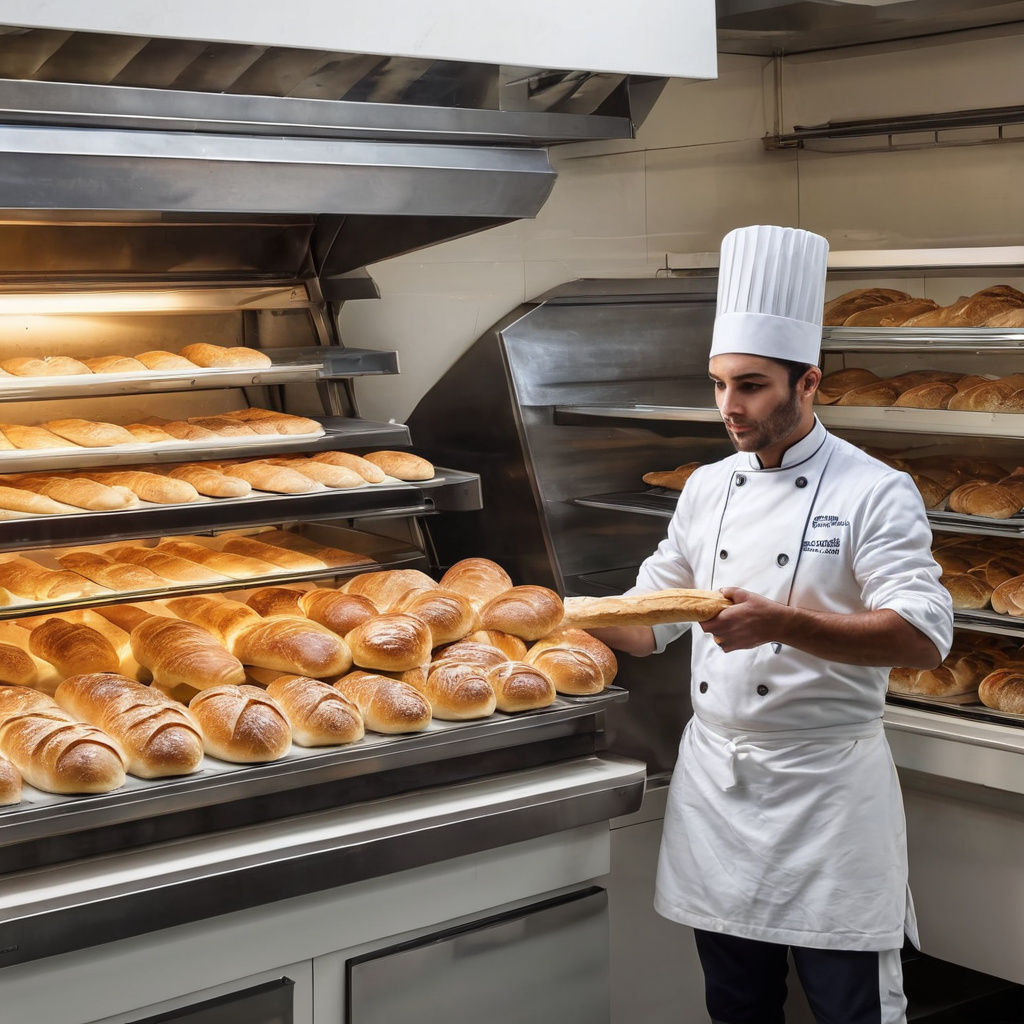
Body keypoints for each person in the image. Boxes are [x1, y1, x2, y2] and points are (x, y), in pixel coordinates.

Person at [590, 225, 953, 1024]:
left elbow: (924, 636)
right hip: (718, 790)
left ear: (809, 383)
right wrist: (549, 616)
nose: (730, 407)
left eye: (751, 386)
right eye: (719, 385)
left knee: (852, 1009)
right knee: (737, 1003)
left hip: (826, 797)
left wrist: (784, 623)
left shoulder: (875, 490)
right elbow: (650, 622)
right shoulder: (706, 487)